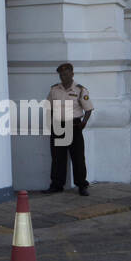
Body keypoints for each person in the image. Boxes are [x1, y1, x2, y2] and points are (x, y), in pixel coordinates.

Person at [44, 62, 92, 196]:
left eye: (66, 74)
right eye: (61, 75)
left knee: (78, 157)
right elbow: (49, 107)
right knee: (58, 158)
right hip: (58, 127)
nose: (63, 77)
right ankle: (56, 185)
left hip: (74, 127)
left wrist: (84, 123)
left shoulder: (80, 90)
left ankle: (82, 185)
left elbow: (88, 109)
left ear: (72, 74)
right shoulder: (54, 90)